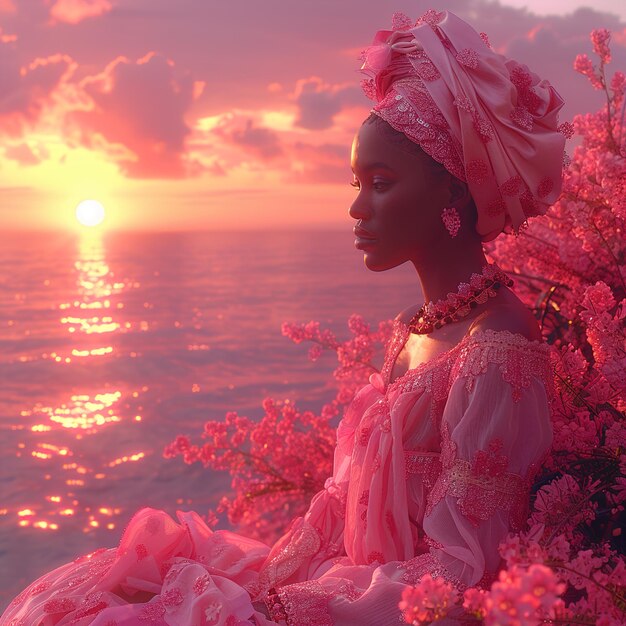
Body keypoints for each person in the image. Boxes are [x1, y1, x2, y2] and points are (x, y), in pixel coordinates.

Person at [1, 9, 566, 626]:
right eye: (356, 182)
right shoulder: (416, 326)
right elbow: (341, 500)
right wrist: (262, 588)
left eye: (380, 183)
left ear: (454, 191)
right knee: (104, 589)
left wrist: (280, 610)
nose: (356, 207)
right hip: (339, 586)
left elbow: (463, 570)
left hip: (384, 610)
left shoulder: (498, 348)